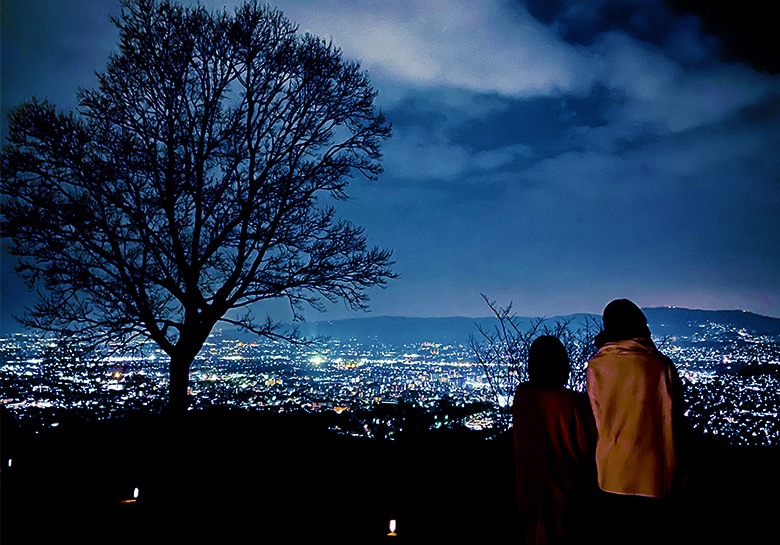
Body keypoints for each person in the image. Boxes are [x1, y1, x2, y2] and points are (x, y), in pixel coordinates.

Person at [586, 299, 687, 543]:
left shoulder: (596, 366)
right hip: (654, 475)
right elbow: (676, 421)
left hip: (609, 473)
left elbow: (595, 418)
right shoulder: (660, 366)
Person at [513, 335, 596, 544]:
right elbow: (587, 445)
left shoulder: (523, 396)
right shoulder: (571, 402)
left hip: (529, 494)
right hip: (566, 495)